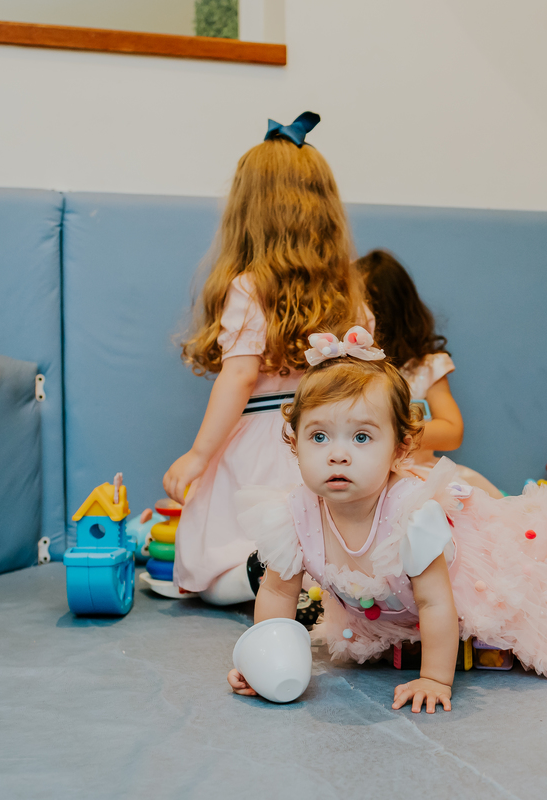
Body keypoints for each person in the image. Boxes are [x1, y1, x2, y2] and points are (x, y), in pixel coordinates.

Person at [229, 328, 547, 712]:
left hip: (462, 590)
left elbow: (435, 600)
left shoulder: (411, 515)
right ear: (293, 443)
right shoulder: (293, 514)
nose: (337, 454)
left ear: (400, 449)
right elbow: (280, 594)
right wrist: (264, 658)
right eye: (318, 437)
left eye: (362, 437)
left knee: (529, 625)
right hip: (385, 609)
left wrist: (435, 680)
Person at [163, 112, 369, 605]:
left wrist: (198, 455)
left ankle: (261, 575)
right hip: (323, 443)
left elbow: (238, 376)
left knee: (210, 569)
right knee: (332, 541)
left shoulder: (248, 286)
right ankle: (316, 582)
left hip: (259, 446)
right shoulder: (350, 292)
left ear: (248, 211)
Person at [353, 249, 503, 497]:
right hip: (362, 478)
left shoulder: (426, 366)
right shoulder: (350, 370)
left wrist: (394, 432)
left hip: (418, 478)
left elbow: (452, 433)